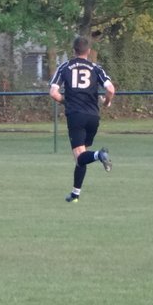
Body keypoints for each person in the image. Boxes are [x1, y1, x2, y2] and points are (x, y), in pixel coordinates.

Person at [49, 36, 115, 202]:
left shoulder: (65, 67)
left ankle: (100, 155)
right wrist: (106, 102)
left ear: (73, 50)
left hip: (76, 116)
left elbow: (53, 93)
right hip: (93, 117)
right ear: (89, 51)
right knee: (82, 156)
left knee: (80, 156)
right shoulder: (96, 68)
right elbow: (111, 90)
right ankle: (75, 194)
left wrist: (66, 101)